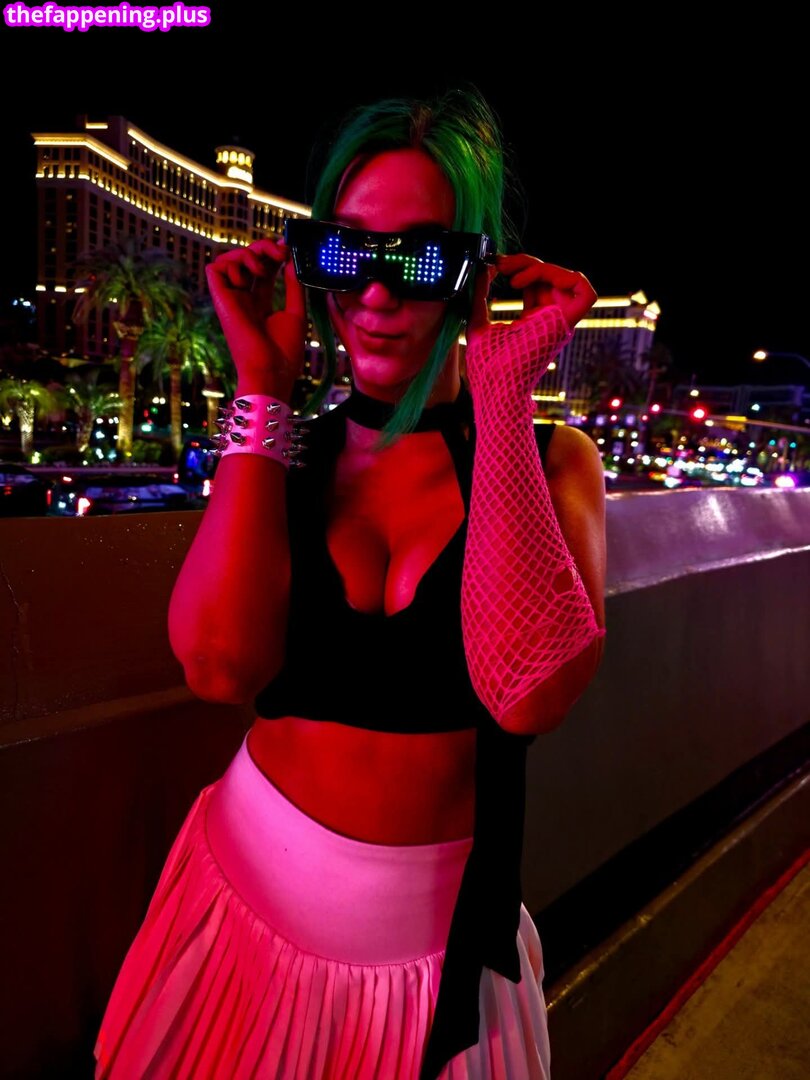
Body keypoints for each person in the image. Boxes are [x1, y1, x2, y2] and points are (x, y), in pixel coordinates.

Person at [93, 85, 607, 1079]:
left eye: (420, 261)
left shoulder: (551, 462)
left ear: (476, 272)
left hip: (438, 966)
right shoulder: (286, 458)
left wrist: (503, 395)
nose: (374, 296)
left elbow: (529, 696)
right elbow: (218, 668)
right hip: (239, 917)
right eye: (345, 253)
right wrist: (262, 389)